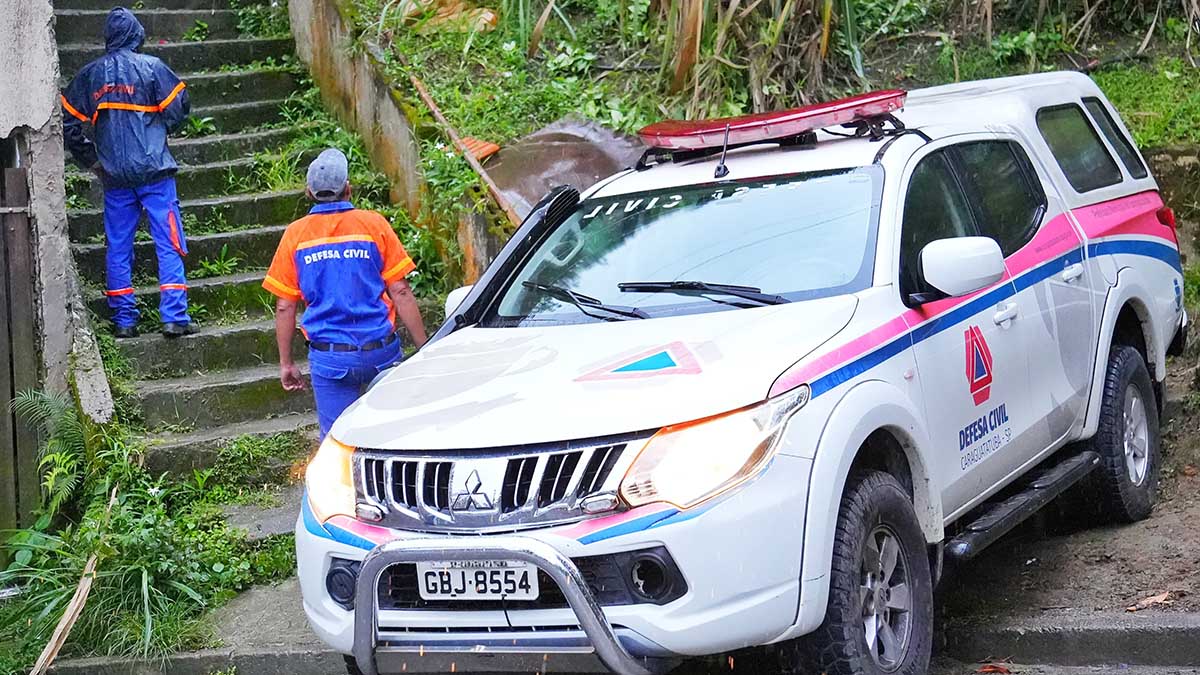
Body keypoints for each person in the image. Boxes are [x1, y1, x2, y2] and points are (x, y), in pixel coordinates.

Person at [264, 149, 429, 439]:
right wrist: (425, 349)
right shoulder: (373, 224)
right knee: (393, 437)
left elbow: (284, 307)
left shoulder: (295, 234)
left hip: (331, 358)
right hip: (381, 350)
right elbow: (400, 290)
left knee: (337, 444)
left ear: (308, 193)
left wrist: (286, 363)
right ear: (348, 189)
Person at [61, 7, 194, 339]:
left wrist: (91, 159)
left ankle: (124, 321)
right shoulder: (152, 68)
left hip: (115, 177)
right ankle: (174, 317)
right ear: (137, 35)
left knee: (118, 246)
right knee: (169, 242)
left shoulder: (90, 76)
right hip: (156, 174)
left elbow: (67, 123)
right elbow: (179, 109)